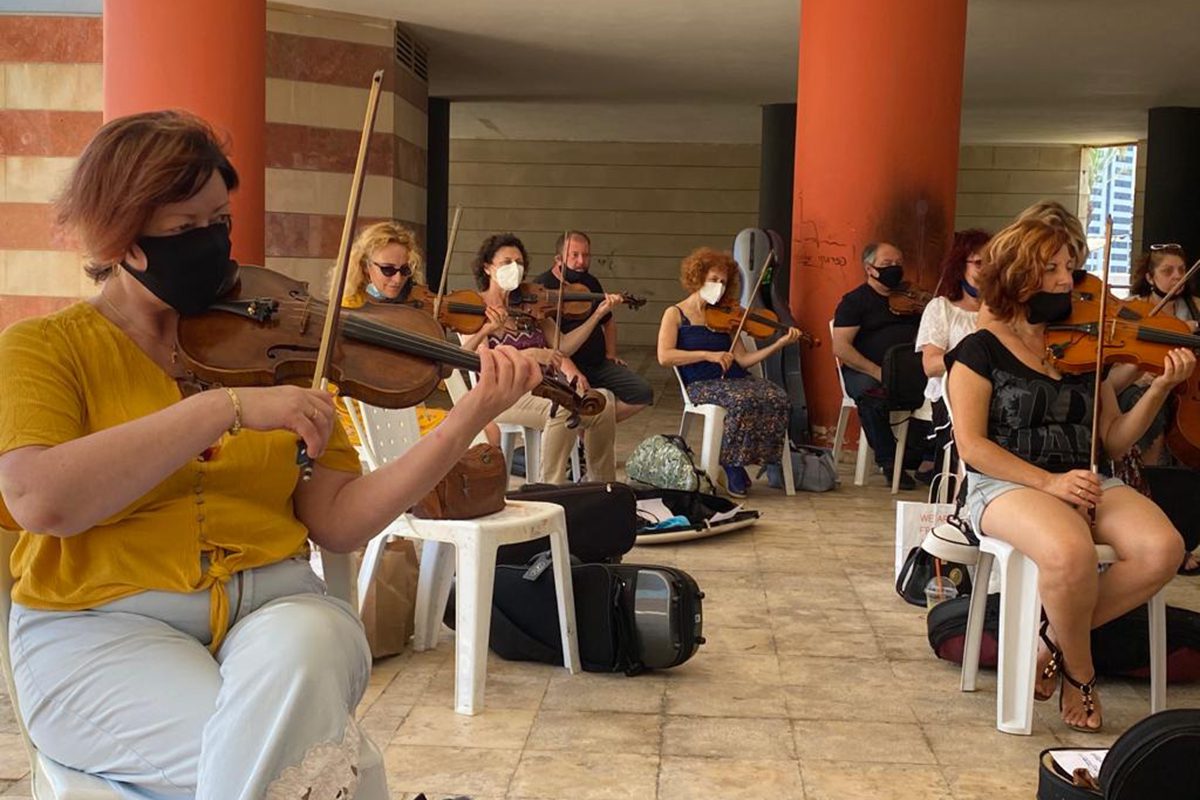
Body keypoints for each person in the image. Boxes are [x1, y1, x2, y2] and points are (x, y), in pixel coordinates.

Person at [0, 110, 542, 798]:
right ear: (122, 237)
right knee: (309, 767)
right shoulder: (46, 349)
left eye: (220, 222)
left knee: (302, 670)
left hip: (277, 609)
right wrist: (220, 409)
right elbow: (39, 497)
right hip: (103, 628)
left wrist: (465, 421)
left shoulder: (278, 342)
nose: (215, 246)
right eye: (185, 231)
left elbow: (340, 521)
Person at [946, 215, 1192, 733]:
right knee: (1070, 552)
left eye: (1070, 267)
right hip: (1006, 482)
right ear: (1016, 276)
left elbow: (1114, 439)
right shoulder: (979, 349)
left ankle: (1048, 645)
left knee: (1163, 548)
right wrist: (1050, 483)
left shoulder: (1084, 348)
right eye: (1052, 268)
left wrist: (1158, 389)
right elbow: (972, 447)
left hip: (1085, 476)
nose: (1067, 280)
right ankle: (1081, 675)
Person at [460, 233, 619, 483]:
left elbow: (563, 346)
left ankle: (602, 486)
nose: (515, 268)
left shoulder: (529, 303)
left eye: (519, 263)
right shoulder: (475, 307)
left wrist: (597, 315)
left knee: (604, 402)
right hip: (502, 395)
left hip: (541, 388)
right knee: (563, 408)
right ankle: (550, 489)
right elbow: (480, 362)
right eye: (506, 262)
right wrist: (529, 354)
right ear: (488, 267)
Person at [656, 247, 802, 498]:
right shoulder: (675, 313)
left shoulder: (728, 315)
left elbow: (743, 359)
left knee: (776, 396)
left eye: (723, 282)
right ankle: (730, 464)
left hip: (734, 378)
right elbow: (665, 356)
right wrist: (707, 354)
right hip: (701, 383)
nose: (719, 287)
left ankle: (762, 461)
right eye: (713, 280)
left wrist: (778, 344)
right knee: (741, 401)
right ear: (697, 278)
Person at [832, 242, 932, 488]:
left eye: (898, 264)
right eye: (887, 265)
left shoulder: (911, 298)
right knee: (871, 395)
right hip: (866, 369)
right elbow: (841, 347)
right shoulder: (855, 301)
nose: (895, 269)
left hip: (910, 370)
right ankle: (889, 462)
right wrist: (877, 371)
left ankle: (922, 459)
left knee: (939, 394)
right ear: (870, 269)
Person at [534, 231, 653, 421]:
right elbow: (550, 343)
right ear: (558, 258)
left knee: (643, 393)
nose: (581, 261)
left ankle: (588, 426)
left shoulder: (590, 283)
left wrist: (611, 354)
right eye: (574, 255)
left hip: (597, 363)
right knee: (574, 400)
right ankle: (586, 429)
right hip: (563, 367)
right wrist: (572, 370)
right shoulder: (542, 287)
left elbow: (609, 322)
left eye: (586, 255)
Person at [916, 230, 990, 473]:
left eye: (993, 262)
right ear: (961, 266)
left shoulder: (1005, 312)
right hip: (951, 396)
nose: (987, 269)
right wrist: (970, 358)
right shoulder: (941, 308)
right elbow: (931, 365)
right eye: (979, 263)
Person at [1128, 243, 1197, 331]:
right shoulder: (1130, 306)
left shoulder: (1196, 306)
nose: (1178, 276)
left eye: (1181, 270)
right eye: (1167, 271)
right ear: (1150, 278)